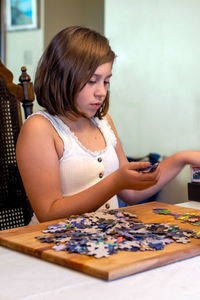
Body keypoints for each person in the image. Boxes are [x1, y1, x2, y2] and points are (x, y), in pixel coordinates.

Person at [16, 26, 200, 224]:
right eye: (92, 81)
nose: (101, 92)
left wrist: (182, 158)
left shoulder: (104, 122)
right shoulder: (39, 129)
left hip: (106, 240)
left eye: (106, 82)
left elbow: (131, 192)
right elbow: (48, 212)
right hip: (52, 242)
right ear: (61, 77)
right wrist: (115, 182)